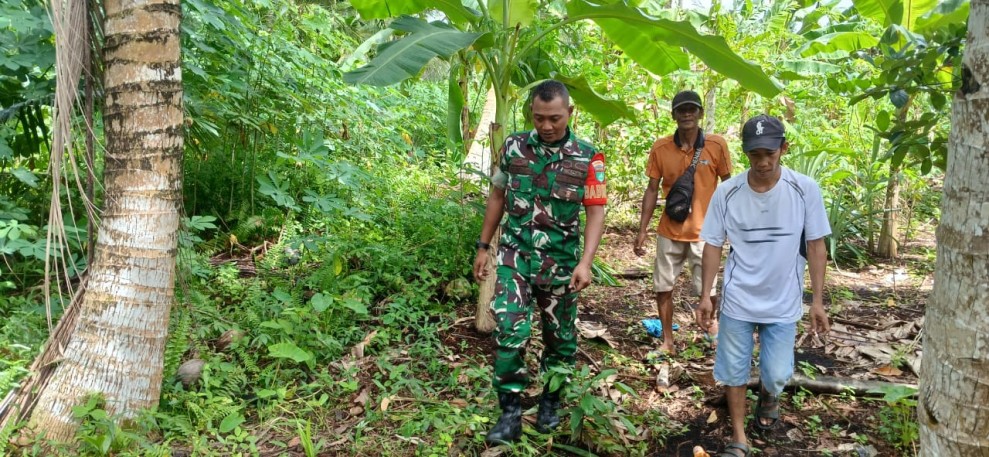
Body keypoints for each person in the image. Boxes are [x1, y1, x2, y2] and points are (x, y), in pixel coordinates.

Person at [472, 80, 606, 444]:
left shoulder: (588, 157)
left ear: (570, 114)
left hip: (561, 263)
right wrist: (484, 246)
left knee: (559, 339)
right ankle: (510, 413)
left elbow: (595, 210)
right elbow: (497, 196)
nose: (547, 126)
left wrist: (586, 261)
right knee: (510, 334)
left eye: (555, 119)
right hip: (515, 257)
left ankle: (550, 401)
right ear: (531, 113)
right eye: (539, 118)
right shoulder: (514, 147)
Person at [695, 114, 831, 457]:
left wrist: (817, 301)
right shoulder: (727, 193)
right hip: (739, 298)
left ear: (783, 149)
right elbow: (713, 244)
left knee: (776, 374)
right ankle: (739, 437)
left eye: (770, 153)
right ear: (746, 153)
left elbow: (816, 245)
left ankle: (769, 396)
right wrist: (706, 295)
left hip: (783, 300)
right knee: (734, 369)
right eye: (755, 154)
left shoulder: (804, 189)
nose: (763, 161)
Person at [634, 90, 732, 356]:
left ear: (700, 113)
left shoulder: (717, 145)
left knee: (707, 290)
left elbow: (728, 187)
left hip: (706, 233)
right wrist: (642, 230)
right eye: (681, 110)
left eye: (692, 109)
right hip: (670, 230)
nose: (687, 114)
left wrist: (732, 228)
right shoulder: (661, 148)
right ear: (674, 114)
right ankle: (667, 341)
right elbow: (652, 189)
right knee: (663, 287)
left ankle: (710, 331)